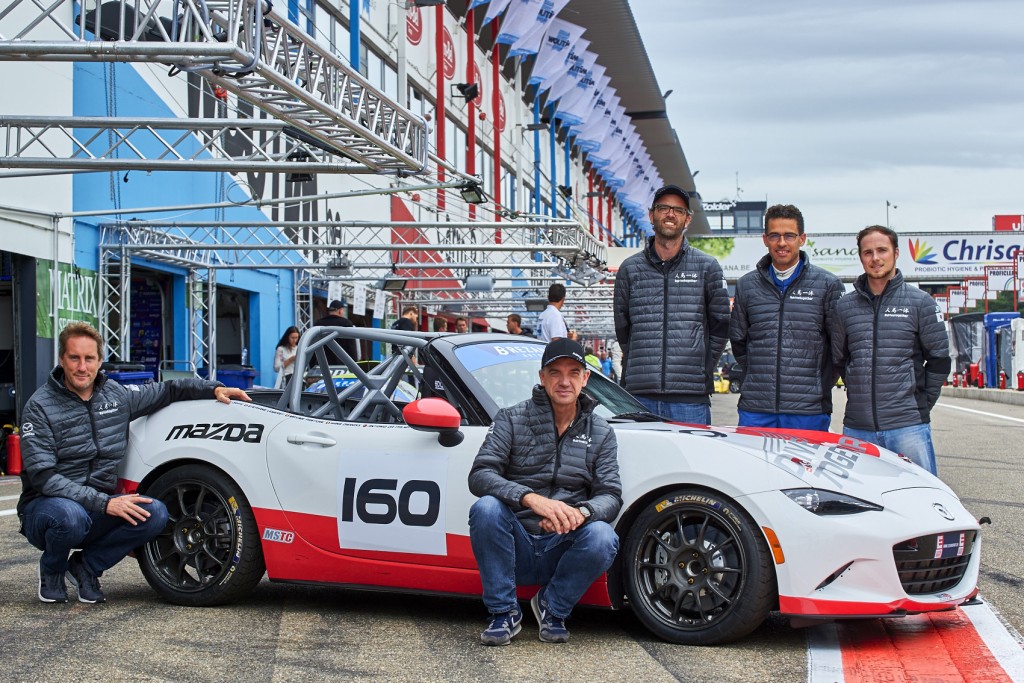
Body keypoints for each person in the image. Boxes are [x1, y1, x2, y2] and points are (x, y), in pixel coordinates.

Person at [17, 322, 251, 604]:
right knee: (71, 517)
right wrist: (105, 503)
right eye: (74, 358)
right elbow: (44, 478)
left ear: (100, 361)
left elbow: (169, 390)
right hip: (46, 509)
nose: (82, 367)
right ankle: (52, 571)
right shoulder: (39, 406)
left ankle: (85, 568)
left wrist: (214, 389)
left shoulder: (116, 396)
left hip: (96, 507)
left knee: (155, 513)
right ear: (62, 359)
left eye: (89, 358)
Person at [468, 338, 621, 646]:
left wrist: (579, 515)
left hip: (562, 544)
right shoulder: (511, 418)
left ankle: (553, 607)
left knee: (604, 537)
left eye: (574, 372)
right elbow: (480, 475)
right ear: (541, 377)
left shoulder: (602, 431)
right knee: (485, 508)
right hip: (516, 543)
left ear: (585, 378)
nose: (564, 381)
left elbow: (611, 495)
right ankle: (503, 613)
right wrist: (531, 499)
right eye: (555, 372)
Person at [832, 225, 951, 475]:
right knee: (860, 504)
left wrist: (919, 404)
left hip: (908, 427)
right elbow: (840, 359)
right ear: (860, 257)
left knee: (921, 498)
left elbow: (939, 360)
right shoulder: (844, 308)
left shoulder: (921, 303)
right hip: (857, 427)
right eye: (868, 252)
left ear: (896, 253)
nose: (875, 258)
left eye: (882, 250)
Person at [613, 184, 730, 424]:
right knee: (642, 462)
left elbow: (721, 326)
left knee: (691, 462)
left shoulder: (707, 267)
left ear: (687, 219)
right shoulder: (630, 269)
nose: (670, 214)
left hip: (690, 398)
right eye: (663, 208)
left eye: (678, 210)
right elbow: (623, 328)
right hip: (639, 394)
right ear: (651, 214)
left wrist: (703, 368)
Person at [729, 205, 844, 430]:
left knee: (805, 466)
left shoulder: (828, 285)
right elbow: (739, 342)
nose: (782, 243)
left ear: (802, 238)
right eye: (775, 235)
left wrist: (817, 386)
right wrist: (758, 378)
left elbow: (838, 348)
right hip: (756, 408)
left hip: (808, 410)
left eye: (789, 235)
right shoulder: (746, 285)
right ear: (765, 239)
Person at [313, 299, 359, 365]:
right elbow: (351, 347)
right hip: (342, 367)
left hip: (323, 366)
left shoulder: (318, 324)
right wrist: (354, 365)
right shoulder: (346, 324)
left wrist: (312, 366)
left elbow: (314, 346)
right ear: (340, 311)